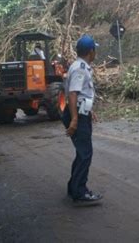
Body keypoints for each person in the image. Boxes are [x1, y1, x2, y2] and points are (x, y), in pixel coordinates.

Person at [61, 34, 102, 205]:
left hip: (80, 111)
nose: (95, 53)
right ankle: (80, 193)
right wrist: (75, 120)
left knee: (82, 153)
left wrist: (88, 110)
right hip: (76, 113)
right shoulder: (79, 68)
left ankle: (74, 188)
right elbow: (72, 94)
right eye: (95, 50)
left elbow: (81, 94)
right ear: (91, 51)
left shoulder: (82, 66)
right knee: (85, 154)